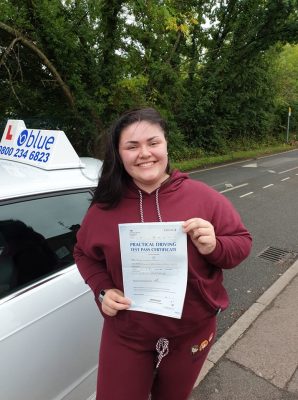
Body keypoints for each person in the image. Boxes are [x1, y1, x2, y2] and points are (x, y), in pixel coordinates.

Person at [74, 107, 252, 400]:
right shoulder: (104, 208)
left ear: (166, 145)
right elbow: (83, 253)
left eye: (153, 142)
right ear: (120, 155)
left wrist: (215, 247)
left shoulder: (204, 198)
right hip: (127, 333)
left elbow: (242, 243)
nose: (144, 153)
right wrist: (102, 290)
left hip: (191, 333)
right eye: (132, 146)